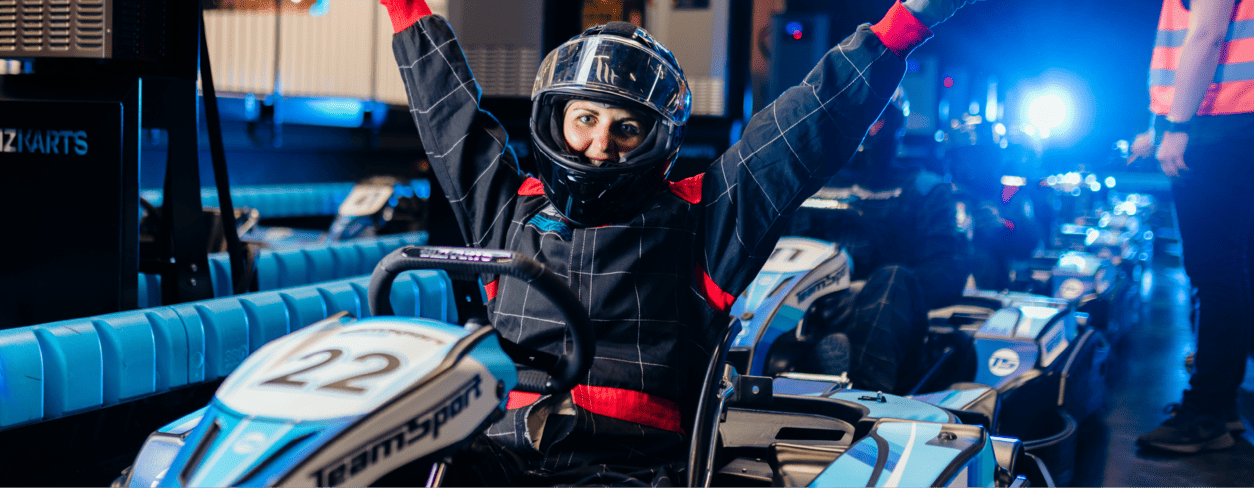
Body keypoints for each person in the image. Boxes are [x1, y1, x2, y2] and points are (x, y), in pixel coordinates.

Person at [379, 0, 984, 484]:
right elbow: (449, 112)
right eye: (585, 119)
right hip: (503, 452)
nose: (600, 144)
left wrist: (903, 25)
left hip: (627, 468)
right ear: (556, 119)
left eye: (627, 127)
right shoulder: (508, 208)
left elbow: (805, 127)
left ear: (656, 141)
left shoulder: (705, 216)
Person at [1127, 0, 1254, 454]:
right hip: (1238, 116)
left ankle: (1207, 414)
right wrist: (1160, 126)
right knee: (1230, 266)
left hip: (1219, 119)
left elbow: (1206, 35)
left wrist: (1178, 125)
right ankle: (1220, 405)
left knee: (1215, 272)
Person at [779, 93, 971, 393]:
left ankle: (862, 398)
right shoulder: (812, 183)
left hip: (887, 318)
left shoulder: (925, 189)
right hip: (807, 309)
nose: (866, 129)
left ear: (895, 125)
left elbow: (948, 273)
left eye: (876, 119)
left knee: (893, 279)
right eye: (857, 118)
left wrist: (860, 292)